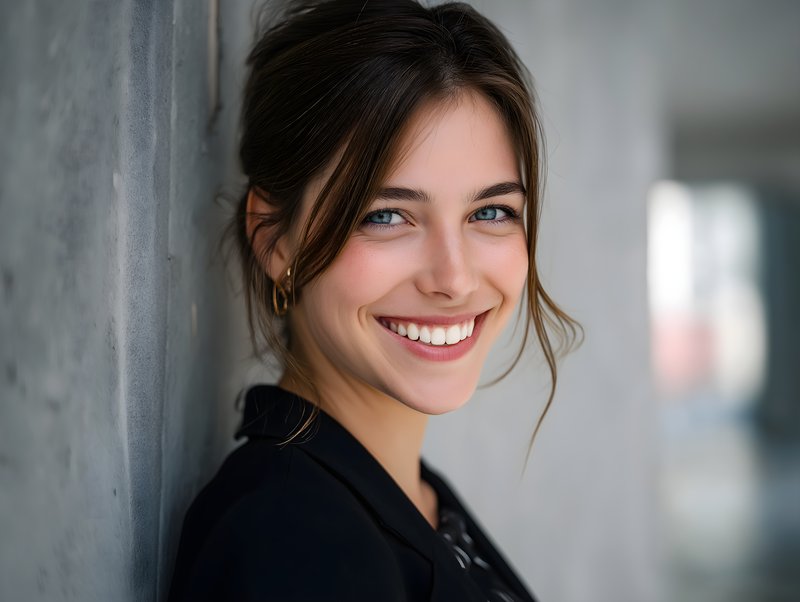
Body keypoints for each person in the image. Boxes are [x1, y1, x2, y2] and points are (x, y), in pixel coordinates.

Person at [168, 1, 578, 600]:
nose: (455, 279)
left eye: (490, 211)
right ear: (273, 239)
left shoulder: (400, 495)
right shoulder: (293, 546)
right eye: (387, 216)